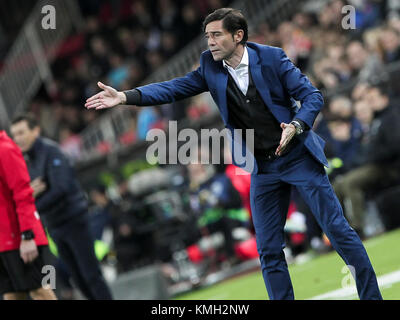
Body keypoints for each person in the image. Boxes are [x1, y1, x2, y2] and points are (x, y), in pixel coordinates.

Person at [85, 8, 382, 300]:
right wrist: (125, 96)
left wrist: (297, 124)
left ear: (238, 35)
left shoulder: (272, 58)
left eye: (216, 35)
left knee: (338, 230)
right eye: (207, 36)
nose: (210, 42)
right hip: (263, 167)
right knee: (268, 249)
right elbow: (173, 88)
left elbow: (312, 96)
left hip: (297, 157)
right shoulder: (209, 66)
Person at [10, 114, 113, 300]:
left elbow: (61, 188)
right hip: (55, 226)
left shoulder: (52, 152)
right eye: (14, 134)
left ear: (36, 130)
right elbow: (27, 192)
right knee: (78, 278)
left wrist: (32, 204)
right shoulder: (26, 160)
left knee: (91, 275)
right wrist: (31, 195)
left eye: (21, 132)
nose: (18, 138)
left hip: (73, 221)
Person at [0, 129, 56, 300]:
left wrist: (27, 235)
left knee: (41, 290)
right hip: (4, 242)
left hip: (21, 239)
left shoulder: (5, 149)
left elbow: (23, 194)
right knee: (12, 295)